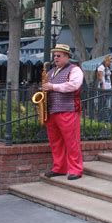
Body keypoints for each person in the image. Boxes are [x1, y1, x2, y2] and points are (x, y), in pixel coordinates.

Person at [42, 44, 84, 180]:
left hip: (68, 109)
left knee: (72, 142)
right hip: (52, 110)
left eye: (58, 55)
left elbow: (74, 85)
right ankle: (59, 168)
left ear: (67, 57)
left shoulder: (75, 70)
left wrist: (52, 86)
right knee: (55, 142)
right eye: (54, 55)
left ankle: (76, 170)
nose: (55, 58)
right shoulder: (50, 72)